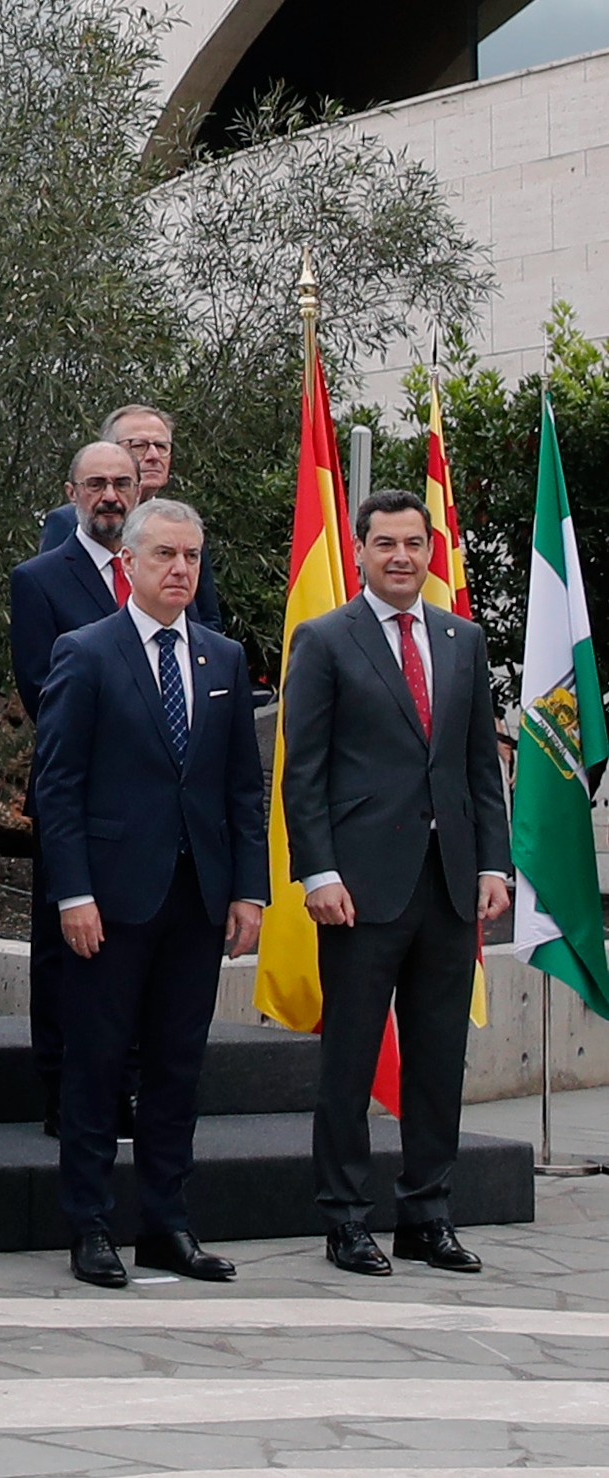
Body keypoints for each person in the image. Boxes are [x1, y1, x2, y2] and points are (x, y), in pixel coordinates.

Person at [33, 497, 264, 1288]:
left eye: (192, 557)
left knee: (177, 1068)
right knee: (96, 1069)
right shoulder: (86, 651)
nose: (180, 570)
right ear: (127, 562)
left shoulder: (222, 659)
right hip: (111, 898)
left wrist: (249, 892)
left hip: (197, 897)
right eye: (165, 555)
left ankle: (168, 1223)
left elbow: (241, 787)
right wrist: (72, 894)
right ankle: (90, 1225)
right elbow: (57, 787)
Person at [284, 489, 510, 1278]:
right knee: (349, 1058)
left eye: (415, 544)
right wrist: (317, 871)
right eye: (386, 544)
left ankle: (428, 1212)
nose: (403, 558)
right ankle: (346, 1218)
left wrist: (492, 864)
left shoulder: (463, 640)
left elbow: (480, 764)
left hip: (449, 885)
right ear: (362, 551)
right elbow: (302, 771)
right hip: (358, 889)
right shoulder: (325, 640)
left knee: (440, 1057)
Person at [9, 440, 143, 1137]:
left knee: (140, 943)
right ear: (72, 493)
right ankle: (63, 1091)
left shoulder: (168, 568)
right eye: (97, 484)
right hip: (78, 790)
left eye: (123, 482)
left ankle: (129, 1085)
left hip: (156, 801)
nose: (111, 496)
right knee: (65, 949)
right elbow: (41, 691)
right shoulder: (39, 580)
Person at [38, 405, 223, 631]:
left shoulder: (182, 525)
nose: (153, 456)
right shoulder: (68, 523)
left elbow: (206, 617)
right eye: (139, 446)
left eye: (161, 446)